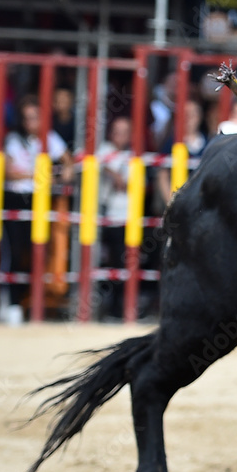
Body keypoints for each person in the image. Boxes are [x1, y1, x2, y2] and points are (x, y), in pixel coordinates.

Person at [2, 95, 72, 324]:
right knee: (15, 251)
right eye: (28, 118)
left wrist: (59, 175)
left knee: (38, 252)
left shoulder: (49, 138)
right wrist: (40, 174)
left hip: (40, 199)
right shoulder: (13, 139)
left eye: (36, 117)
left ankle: (33, 303)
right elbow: (7, 171)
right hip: (15, 198)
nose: (32, 122)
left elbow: (68, 163)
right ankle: (11, 302)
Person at [96, 116, 134, 321]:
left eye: (125, 131)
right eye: (117, 131)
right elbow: (102, 164)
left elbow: (136, 184)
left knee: (121, 263)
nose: (120, 135)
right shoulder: (104, 150)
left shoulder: (133, 156)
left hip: (126, 218)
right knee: (102, 263)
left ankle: (117, 310)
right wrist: (117, 176)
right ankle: (103, 308)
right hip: (104, 216)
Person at [157, 99, 208, 204]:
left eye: (193, 114)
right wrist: (170, 202)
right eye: (186, 114)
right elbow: (163, 175)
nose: (189, 118)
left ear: (200, 116)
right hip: (178, 200)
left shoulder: (209, 142)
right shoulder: (171, 142)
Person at [52, 87, 76, 152]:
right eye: (57, 100)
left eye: (63, 100)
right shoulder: (49, 123)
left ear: (71, 101)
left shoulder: (78, 123)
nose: (60, 104)